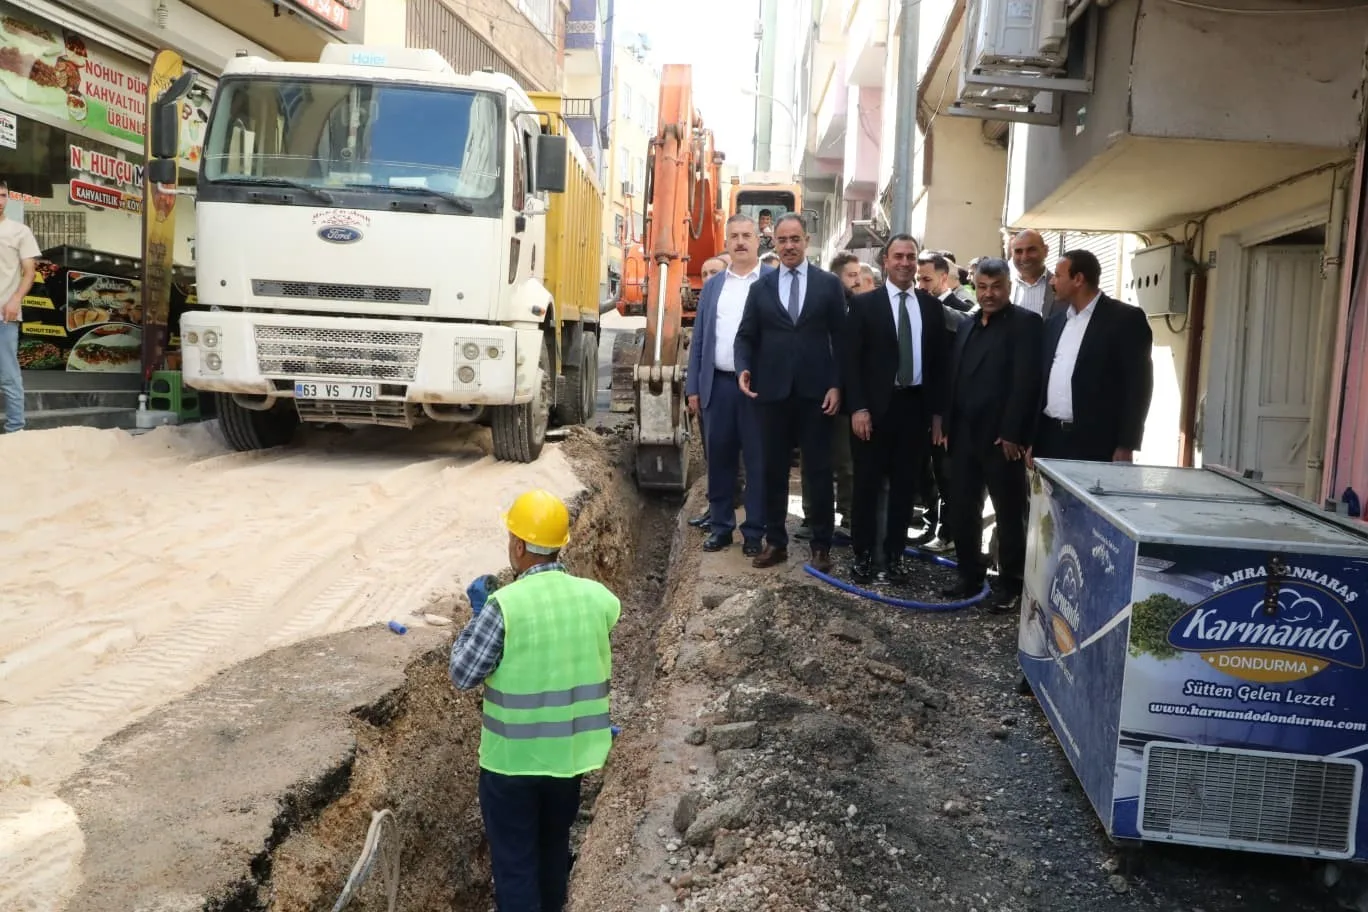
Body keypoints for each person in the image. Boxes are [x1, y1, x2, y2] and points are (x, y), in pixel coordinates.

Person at [449, 489, 620, 912]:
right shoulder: (597, 597)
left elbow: (464, 673)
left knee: (515, 867)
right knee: (551, 852)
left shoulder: (504, 606)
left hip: (512, 766)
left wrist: (477, 622)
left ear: (519, 546)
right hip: (570, 760)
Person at [735, 213, 846, 572]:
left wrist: (837, 384)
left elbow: (842, 339)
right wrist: (743, 368)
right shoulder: (761, 289)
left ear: (807, 241)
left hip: (817, 394)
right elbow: (745, 336)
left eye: (795, 239)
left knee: (818, 471)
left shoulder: (829, 285)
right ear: (775, 244)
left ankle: (821, 546)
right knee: (771, 470)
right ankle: (775, 542)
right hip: (773, 393)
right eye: (782, 240)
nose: (789, 246)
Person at [842, 234, 948, 584]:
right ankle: (864, 555)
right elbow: (851, 363)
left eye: (911, 256)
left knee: (905, 489)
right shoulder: (864, 305)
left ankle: (895, 555)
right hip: (872, 411)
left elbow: (937, 366)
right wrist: (857, 407)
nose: (905, 262)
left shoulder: (931, 307)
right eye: (898, 256)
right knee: (867, 486)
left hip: (914, 409)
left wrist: (937, 415)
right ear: (885, 260)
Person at [941, 258, 1044, 610]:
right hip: (963, 437)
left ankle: (1011, 585)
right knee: (962, 510)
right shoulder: (969, 325)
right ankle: (969, 576)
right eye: (982, 287)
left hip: (1002, 440)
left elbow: (1027, 382)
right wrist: (946, 423)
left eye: (996, 286)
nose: (988, 294)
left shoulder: (1026, 325)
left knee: (1008, 513)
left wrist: (1014, 432)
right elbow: (955, 378)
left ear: (1008, 286)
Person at [686, 215, 769, 556]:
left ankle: (754, 532)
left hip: (758, 390)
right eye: (734, 236)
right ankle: (721, 527)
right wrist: (693, 388)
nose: (740, 242)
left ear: (758, 240)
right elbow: (700, 340)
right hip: (717, 386)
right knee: (718, 460)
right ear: (726, 240)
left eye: (747, 235)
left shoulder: (772, 282)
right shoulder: (713, 286)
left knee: (758, 461)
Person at [1031, 249, 1154, 464]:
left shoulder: (1124, 320)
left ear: (1078, 279)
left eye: (1058, 276)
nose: (1052, 280)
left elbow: (1138, 386)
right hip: (1050, 439)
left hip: (1095, 443)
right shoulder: (1055, 322)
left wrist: (1126, 444)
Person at [795, 251, 858, 536]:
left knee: (846, 462)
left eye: (859, 276)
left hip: (849, 398)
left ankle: (848, 515)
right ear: (836, 278)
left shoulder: (861, 309)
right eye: (851, 276)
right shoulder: (816, 306)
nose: (856, 281)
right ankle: (813, 516)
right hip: (816, 395)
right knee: (813, 459)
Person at [0, 181, 39, 434]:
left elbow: (29, 272)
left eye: (2, 195)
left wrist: (15, 300)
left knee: (8, 376)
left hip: (4, 315)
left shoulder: (19, 231)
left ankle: (16, 430)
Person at [1008, 229, 1063, 319]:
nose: (1024, 257)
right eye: (1018, 251)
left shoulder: (1061, 287)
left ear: (1045, 251)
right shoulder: (1002, 287)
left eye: (1031, 250)